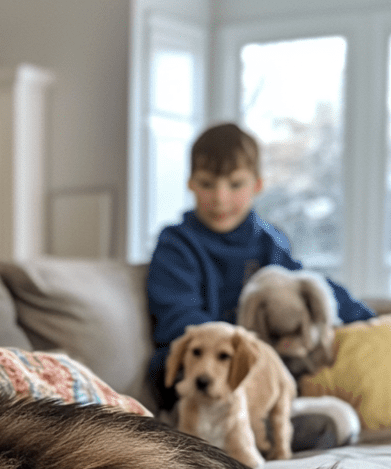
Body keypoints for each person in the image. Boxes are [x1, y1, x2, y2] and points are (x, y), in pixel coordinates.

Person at [147, 122, 374, 448]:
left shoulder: (268, 241)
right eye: (207, 184)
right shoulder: (176, 244)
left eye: (235, 184)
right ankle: (215, 428)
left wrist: (367, 318)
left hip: (256, 368)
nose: (220, 198)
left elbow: (306, 286)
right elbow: (177, 319)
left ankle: (271, 421)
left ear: (257, 185)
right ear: (191, 184)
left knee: (289, 356)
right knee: (177, 364)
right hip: (202, 365)